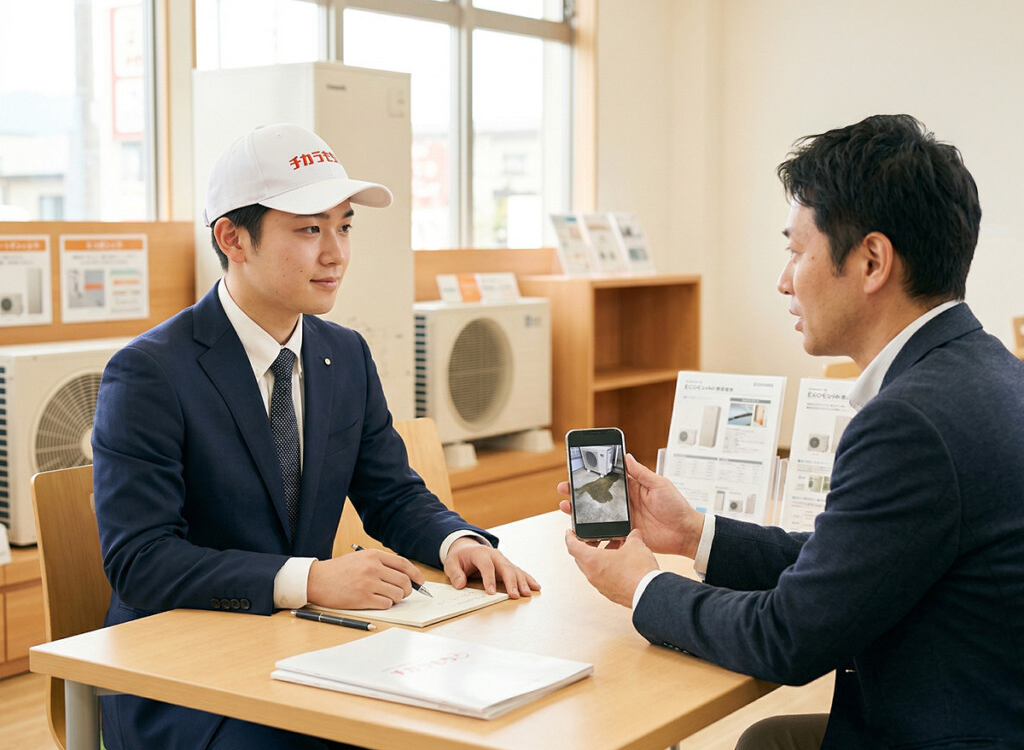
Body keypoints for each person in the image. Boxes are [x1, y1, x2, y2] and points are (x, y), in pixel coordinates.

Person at [560, 114, 1024, 749]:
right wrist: (695, 533)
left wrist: (642, 587)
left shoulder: (910, 421)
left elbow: (788, 638)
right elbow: (856, 559)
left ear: (871, 261)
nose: (784, 280)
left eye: (796, 252)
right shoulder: (991, 370)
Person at [92, 122, 540, 750]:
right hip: (185, 678)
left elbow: (391, 493)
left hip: (304, 649)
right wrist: (311, 579)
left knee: (465, 713)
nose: (336, 253)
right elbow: (141, 561)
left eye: (344, 226)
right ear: (233, 239)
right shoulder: (148, 372)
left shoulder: (344, 354)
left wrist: (454, 542)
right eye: (309, 229)